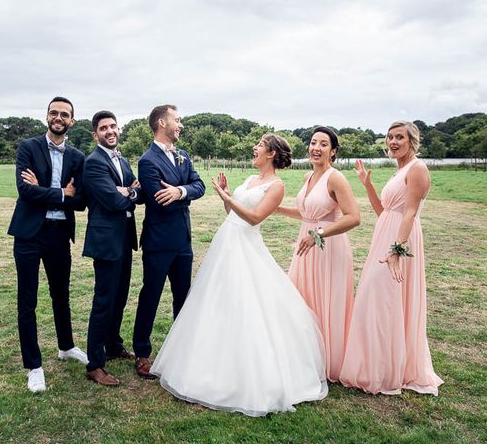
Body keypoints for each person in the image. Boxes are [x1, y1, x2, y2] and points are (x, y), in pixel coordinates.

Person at [151, 135, 329, 417]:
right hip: (227, 241)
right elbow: (231, 214)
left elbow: (255, 218)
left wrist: (226, 197)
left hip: (246, 245)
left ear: (271, 153)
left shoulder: (277, 186)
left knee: (247, 303)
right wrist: (227, 196)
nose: (254, 148)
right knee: (215, 302)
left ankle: (251, 373)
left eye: (259, 145)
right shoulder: (248, 179)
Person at [339, 121, 444, 395]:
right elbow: (384, 211)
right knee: (376, 299)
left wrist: (398, 251)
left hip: (400, 241)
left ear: (412, 141)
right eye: (390, 137)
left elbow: (408, 213)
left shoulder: (418, 169)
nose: (393, 142)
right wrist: (367, 185)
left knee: (384, 299)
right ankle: (378, 365)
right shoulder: (400, 171)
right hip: (385, 235)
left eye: (400, 137)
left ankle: (386, 370)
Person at [7, 96, 87, 393]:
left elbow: (80, 201)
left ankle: (66, 347)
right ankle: (34, 366)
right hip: (28, 233)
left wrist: (48, 191)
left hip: (58, 233)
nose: (58, 117)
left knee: (60, 294)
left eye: (64, 114)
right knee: (27, 301)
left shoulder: (78, 157)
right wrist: (60, 193)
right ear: (47, 116)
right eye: (54, 112)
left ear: (71, 121)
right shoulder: (29, 147)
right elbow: (25, 191)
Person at [277, 127, 360, 382]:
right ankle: (306, 356)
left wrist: (318, 235)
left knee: (325, 301)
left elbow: (354, 218)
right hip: (305, 248)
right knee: (302, 299)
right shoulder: (307, 177)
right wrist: (276, 208)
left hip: (328, 247)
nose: (316, 148)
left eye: (324, 144)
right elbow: (307, 214)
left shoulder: (336, 179)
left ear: (333, 151)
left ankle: (328, 362)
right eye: (313, 142)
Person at [132, 105, 205, 379]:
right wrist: (179, 193)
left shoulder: (184, 156)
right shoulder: (147, 160)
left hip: (183, 241)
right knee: (150, 296)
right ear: (162, 122)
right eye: (177, 120)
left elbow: (199, 186)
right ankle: (141, 353)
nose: (181, 125)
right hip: (158, 241)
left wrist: (179, 190)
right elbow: (158, 200)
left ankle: (182, 350)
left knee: (183, 297)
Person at [82, 110, 144, 386]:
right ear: (96, 134)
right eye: (104, 128)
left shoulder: (122, 160)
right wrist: (126, 193)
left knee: (120, 297)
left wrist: (127, 191)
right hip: (106, 242)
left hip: (124, 239)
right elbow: (112, 202)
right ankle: (95, 364)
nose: (110, 131)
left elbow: (138, 193)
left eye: (113, 126)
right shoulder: (94, 163)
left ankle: (114, 346)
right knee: (104, 301)